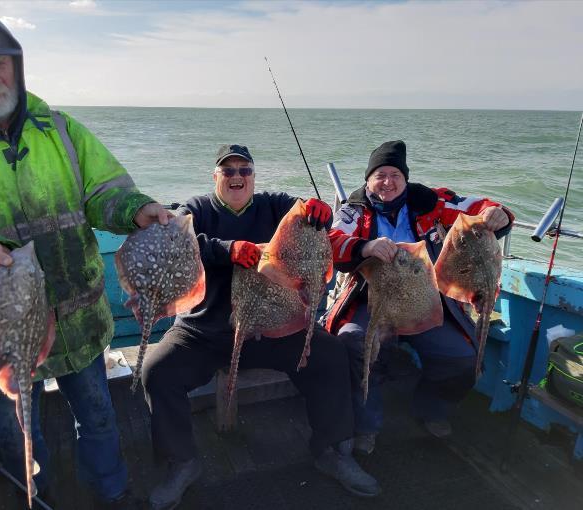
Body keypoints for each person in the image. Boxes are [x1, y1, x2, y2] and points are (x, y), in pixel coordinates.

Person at [0, 12, 170, 509]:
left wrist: (137, 211)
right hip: (1, 326)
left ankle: (111, 493)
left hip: (79, 315)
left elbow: (106, 193)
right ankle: (35, 498)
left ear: (18, 68)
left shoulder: (63, 130)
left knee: (97, 416)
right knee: (18, 429)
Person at [141, 144, 381, 510]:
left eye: (244, 170)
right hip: (206, 329)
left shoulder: (273, 204)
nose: (237, 177)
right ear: (216, 176)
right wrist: (228, 249)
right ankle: (182, 462)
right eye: (228, 170)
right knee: (158, 372)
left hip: (274, 325)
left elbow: (308, 213)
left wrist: (320, 210)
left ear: (253, 175)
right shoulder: (198, 209)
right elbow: (177, 240)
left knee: (330, 354)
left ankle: (331, 450)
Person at [325, 140, 513, 455]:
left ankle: (431, 408)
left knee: (462, 361)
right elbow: (333, 240)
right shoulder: (353, 209)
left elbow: (477, 208)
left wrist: (497, 213)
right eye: (379, 175)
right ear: (368, 179)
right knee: (354, 342)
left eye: (395, 174)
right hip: (371, 298)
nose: (387, 182)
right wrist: (365, 247)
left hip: (426, 299)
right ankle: (366, 424)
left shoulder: (432, 201)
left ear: (406, 178)